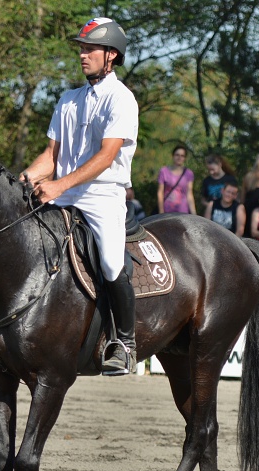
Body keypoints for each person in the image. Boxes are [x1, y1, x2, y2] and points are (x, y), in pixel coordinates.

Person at [21, 17, 138, 375]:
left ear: (111, 55)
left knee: (111, 263)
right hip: (64, 194)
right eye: (81, 49)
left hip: (103, 197)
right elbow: (51, 156)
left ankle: (125, 344)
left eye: (90, 49)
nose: (83, 55)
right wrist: (23, 179)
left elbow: (107, 156)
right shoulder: (68, 100)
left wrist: (59, 185)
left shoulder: (122, 99)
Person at [156, 145, 195, 214]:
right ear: (173, 156)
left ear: (185, 158)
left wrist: (194, 213)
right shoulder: (164, 171)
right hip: (167, 211)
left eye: (182, 156)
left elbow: (189, 194)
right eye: (177, 155)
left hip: (183, 212)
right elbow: (160, 193)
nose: (179, 157)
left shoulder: (189, 173)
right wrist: (161, 211)